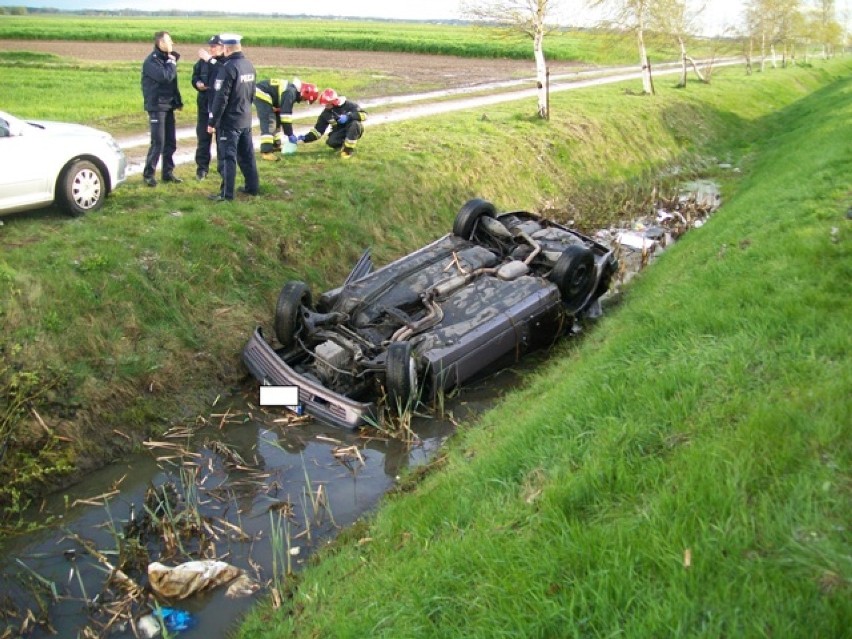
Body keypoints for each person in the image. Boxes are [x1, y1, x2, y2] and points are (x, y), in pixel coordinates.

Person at [207, 34, 259, 202]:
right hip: (245, 118)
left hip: (229, 122)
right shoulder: (249, 65)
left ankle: (226, 194)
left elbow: (221, 98)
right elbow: (252, 94)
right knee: (247, 155)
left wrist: (212, 121)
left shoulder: (228, 68)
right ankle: (252, 187)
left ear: (227, 49)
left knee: (227, 157)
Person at [141, 31, 183, 187]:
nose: (172, 44)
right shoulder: (152, 62)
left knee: (170, 142)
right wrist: (172, 63)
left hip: (168, 105)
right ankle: (148, 174)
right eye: (169, 41)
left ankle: (167, 172)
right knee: (158, 141)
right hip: (157, 106)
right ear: (160, 43)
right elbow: (165, 77)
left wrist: (177, 101)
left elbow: (172, 84)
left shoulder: (167, 60)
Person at [254, 78, 319, 160]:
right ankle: (266, 152)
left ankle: (275, 145)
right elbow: (285, 116)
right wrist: (290, 134)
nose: (303, 101)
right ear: (304, 93)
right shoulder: (290, 93)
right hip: (261, 93)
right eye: (305, 99)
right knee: (269, 120)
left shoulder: (292, 91)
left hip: (268, 95)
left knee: (276, 117)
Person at [191, 34, 224, 181]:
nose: (211, 49)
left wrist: (210, 61)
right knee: (203, 138)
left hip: (219, 107)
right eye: (210, 46)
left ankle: (223, 169)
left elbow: (222, 73)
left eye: (214, 46)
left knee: (221, 140)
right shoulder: (202, 62)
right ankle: (202, 169)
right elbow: (195, 75)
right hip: (204, 105)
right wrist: (197, 83)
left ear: (223, 47)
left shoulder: (225, 62)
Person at [298, 88, 366, 158]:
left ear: (334, 101)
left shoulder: (349, 105)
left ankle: (348, 151)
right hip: (340, 131)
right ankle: (342, 146)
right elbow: (317, 132)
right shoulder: (326, 113)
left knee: (355, 124)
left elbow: (364, 115)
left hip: (353, 128)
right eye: (325, 104)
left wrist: (348, 117)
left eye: (327, 104)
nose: (326, 106)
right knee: (331, 142)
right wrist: (305, 138)